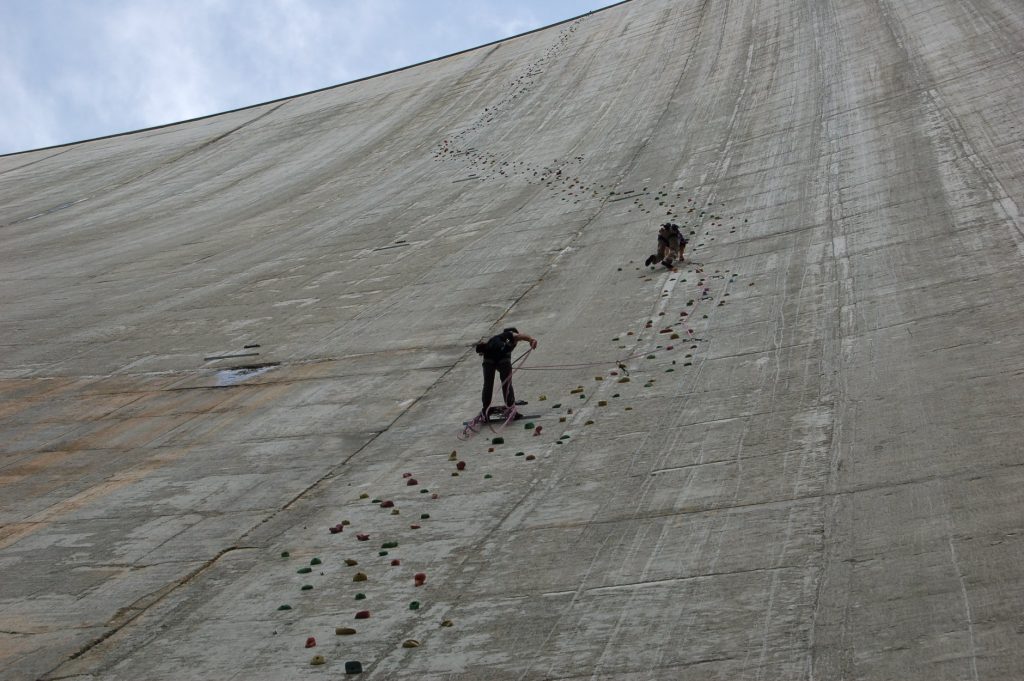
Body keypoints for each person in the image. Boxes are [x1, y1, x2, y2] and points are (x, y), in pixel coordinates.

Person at [474, 327, 538, 420]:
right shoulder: (511, 335)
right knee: (507, 384)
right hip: (502, 361)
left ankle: (485, 410)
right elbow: (522, 336)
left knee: (488, 385)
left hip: (488, 360)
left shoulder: (496, 339)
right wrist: (531, 340)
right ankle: (511, 409)